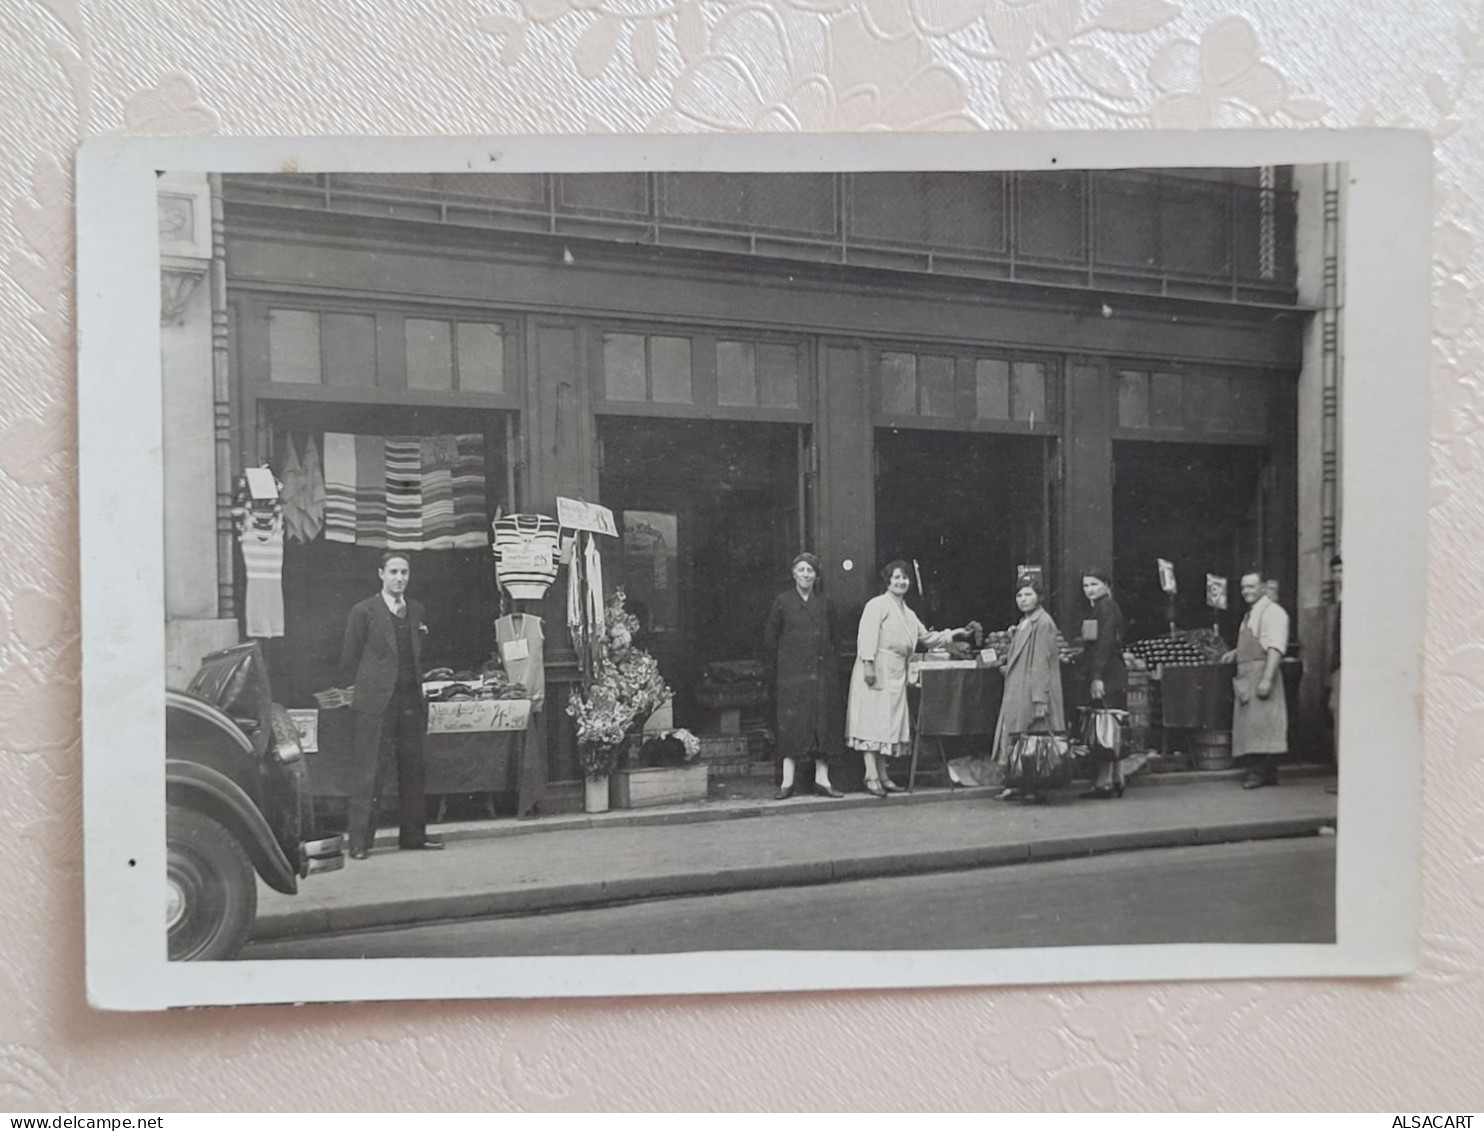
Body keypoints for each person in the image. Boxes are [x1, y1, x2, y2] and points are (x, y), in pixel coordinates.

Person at [340, 551, 443, 859]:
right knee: (369, 772)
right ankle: (359, 842)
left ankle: (413, 836)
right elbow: (349, 657)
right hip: (376, 704)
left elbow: (417, 653)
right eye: (394, 572)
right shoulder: (364, 611)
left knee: (413, 771)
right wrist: (358, 693)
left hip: (410, 701)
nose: (399, 578)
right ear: (381, 574)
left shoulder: (416, 610)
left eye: (404, 573)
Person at [846, 560, 976, 797]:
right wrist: (868, 664)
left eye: (905, 578)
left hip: (897, 670)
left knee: (888, 723)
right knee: (872, 720)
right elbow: (866, 636)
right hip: (877, 665)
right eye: (896, 577)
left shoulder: (908, 612)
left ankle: (883, 774)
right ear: (888, 580)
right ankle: (870, 775)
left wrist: (957, 632)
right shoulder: (877, 605)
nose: (901, 582)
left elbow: (927, 638)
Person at [763, 552, 845, 800]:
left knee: (822, 726)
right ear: (794, 574)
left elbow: (835, 637)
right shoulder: (783, 602)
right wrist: (785, 665)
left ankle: (823, 781)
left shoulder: (825, 602)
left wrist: (828, 663)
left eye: (810, 571)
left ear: (816, 576)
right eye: (801, 570)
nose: (806, 575)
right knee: (791, 726)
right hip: (792, 677)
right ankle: (787, 783)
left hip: (821, 674)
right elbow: (770, 638)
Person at [993, 575, 1067, 804]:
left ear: (1039, 597)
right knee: (1023, 738)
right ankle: (1023, 784)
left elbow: (1041, 664)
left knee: (1034, 740)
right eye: (1020, 595)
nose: (1023, 600)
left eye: (1029, 594)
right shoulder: (1026, 621)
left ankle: (1035, 786)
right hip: (1020, 688)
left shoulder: (1042, 623)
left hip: (1031, 691)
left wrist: (1040, 700)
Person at [1221, 569, 1291, 790]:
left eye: (1251, 587)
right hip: (1247, 677)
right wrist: (1236, 652)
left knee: (1264, 726)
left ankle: (1259, 773)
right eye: (1243, 587)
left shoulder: (1273, 613)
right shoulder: (1250, 614)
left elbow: (1275, 648)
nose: (1246, 591)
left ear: (1262, 587)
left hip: (1261, 674)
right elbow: (1254, 641)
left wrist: (1267, 679)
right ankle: (1267, 773)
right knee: (1253, 726)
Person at [1078, 568, 1128, 800]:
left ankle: (1104, 782)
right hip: (1109, 670)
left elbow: (1105, 642)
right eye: (1086, 585)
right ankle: (1117, 778)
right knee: (1111, 723)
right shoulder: (1099, 608)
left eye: (1094, 585)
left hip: (1108, 673)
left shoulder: (1105, 608)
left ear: (1106, 585)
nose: (1089, 589)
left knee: (1104, 724)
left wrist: (1097, 675)